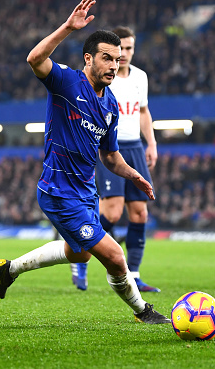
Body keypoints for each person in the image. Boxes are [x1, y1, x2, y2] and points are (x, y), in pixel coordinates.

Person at [0, 0, 170, 324]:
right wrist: (67, 28)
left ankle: (10, 269)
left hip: (86, 192)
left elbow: (110, 156)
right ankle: (143, 311)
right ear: (88, 58)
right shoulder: (66, 82)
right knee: (115, 256)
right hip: (58, 191)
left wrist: (133, 175)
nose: (114, 65)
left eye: (117, 59)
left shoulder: (111, 105)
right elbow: (34, 59)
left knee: (80, 253)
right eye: (106, 58)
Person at [71, 26, 160, 293]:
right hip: (110, 148)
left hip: (135, 146)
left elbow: (143, 111)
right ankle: (79, 253)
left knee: (140, 212)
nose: (126, 54)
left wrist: (151, 142)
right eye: (122, 49)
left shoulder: (140, 77)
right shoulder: (105, 78)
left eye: (130, 49)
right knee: (112, 211)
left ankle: (134, 274)